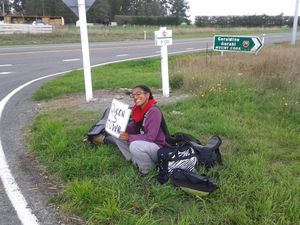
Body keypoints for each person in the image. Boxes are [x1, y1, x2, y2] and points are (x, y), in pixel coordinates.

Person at [112, 85, 169, 175]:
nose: (135, 97)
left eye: (138, 94)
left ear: (147, 95)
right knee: (116, 132)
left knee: (135, 145)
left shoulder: (154, 111)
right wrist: (118, 125)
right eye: (133, 95)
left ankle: (148, 170)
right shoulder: (138, 110)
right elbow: (134, 129)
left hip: (157, 147)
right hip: (146, 143)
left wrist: (129, 137)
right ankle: (134, 160)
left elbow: (151, 137)